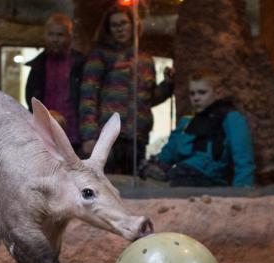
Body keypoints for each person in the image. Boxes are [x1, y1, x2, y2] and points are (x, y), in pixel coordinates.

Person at [79, 4, 174, 174]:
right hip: (108, 135)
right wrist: (89, 136)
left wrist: (168, 84)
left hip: (138, 136)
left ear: (133, 25)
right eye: (114, 25)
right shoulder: (100, 55)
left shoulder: (145, 59)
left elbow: (148, 99)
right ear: (108, 29)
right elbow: (88, 97)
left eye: (123, 23)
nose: (119, 29)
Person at [140, 69, 255, 187]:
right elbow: (167, 155)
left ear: (218, 93)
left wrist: (241, 193)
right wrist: (154, 166)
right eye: (192, 93)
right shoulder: (186, 123)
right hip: (179, 177)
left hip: (210, 182)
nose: (196, 98)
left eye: (202, 92)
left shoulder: (231, 118)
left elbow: (243, 159)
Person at [25, 14, 85, 154]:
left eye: (60, 34)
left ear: (70, 37)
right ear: (45, 36)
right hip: (44, 136)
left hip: (74, 137)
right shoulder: (38, 66)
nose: (55, 39)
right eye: (51, 34)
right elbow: (31, 101)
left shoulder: (81, 64)